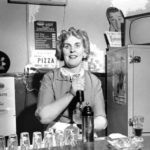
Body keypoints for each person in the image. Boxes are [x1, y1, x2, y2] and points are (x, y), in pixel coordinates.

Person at [35, 27, 107, 134]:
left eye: (77, 45)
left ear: (85, 52)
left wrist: (83, 126)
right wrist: (71, 94)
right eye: (67, 46)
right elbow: (43, 117)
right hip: (57, 136)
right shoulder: (50, 78)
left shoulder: (94, 81)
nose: (72, 50)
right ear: (61, 51)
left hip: (85, 132)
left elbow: (102, 121)